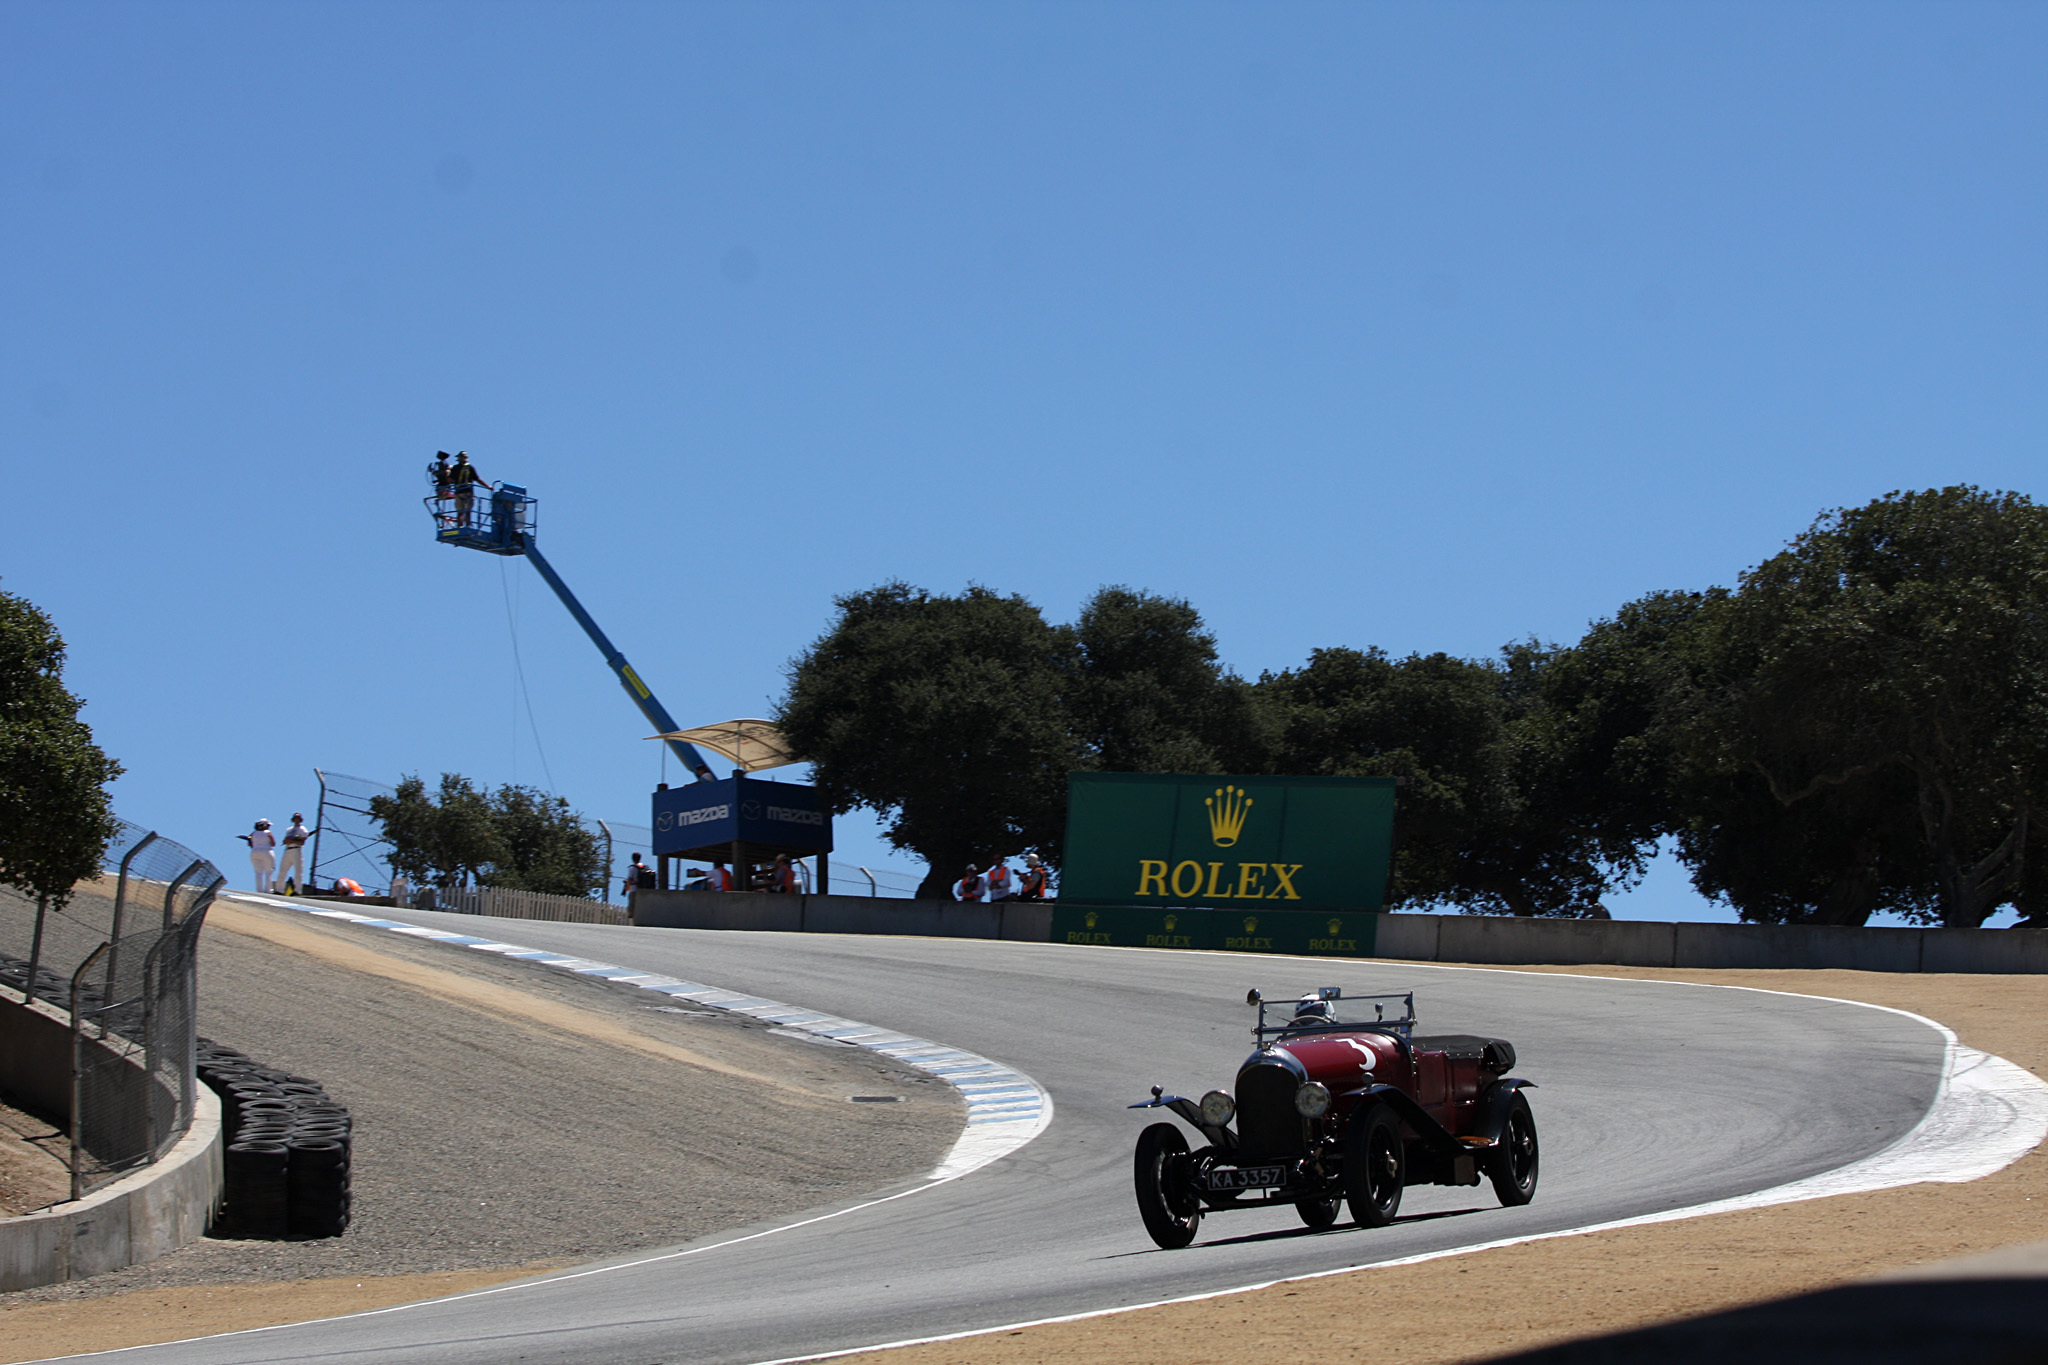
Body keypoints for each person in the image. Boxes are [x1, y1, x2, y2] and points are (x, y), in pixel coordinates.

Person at [449, 450, 490, 528]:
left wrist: (446, 473)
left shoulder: (455, 468)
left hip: (459, 492)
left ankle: (460, 526)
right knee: (467, 511)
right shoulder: (470, 468)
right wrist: (488, 486)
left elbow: (449, 480)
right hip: (468, 492)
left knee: (460, 511)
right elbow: (477, 479)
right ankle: (467, 526)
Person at [276, 813, 312, 894]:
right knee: (282, 870)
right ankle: (279, 889)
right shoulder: (289, 830)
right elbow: (285, 841)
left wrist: (292, 841)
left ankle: (298, 890)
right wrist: (293, 840)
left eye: (298, 818)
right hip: (287, 850)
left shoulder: (303, 829)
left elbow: (302, 842)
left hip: (296, 850)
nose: (296, 820)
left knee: (298, 871)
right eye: (295, 818)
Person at [237, 819, 276, 893]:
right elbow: (273, 843)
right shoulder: (268, 833)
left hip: (254, 852)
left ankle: (259, 890)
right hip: (267, 851)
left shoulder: (253, 833)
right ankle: (268, 890)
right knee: (269, 871)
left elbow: (250, 843)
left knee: (258, 872)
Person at [427, 451, 454, 525]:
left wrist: (436, 473)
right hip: (443, 488)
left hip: (443, 487)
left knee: (442, 498)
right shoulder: (442, 465)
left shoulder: (443, 465)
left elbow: (444, 474)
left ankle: (442, 513)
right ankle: (442, 513)